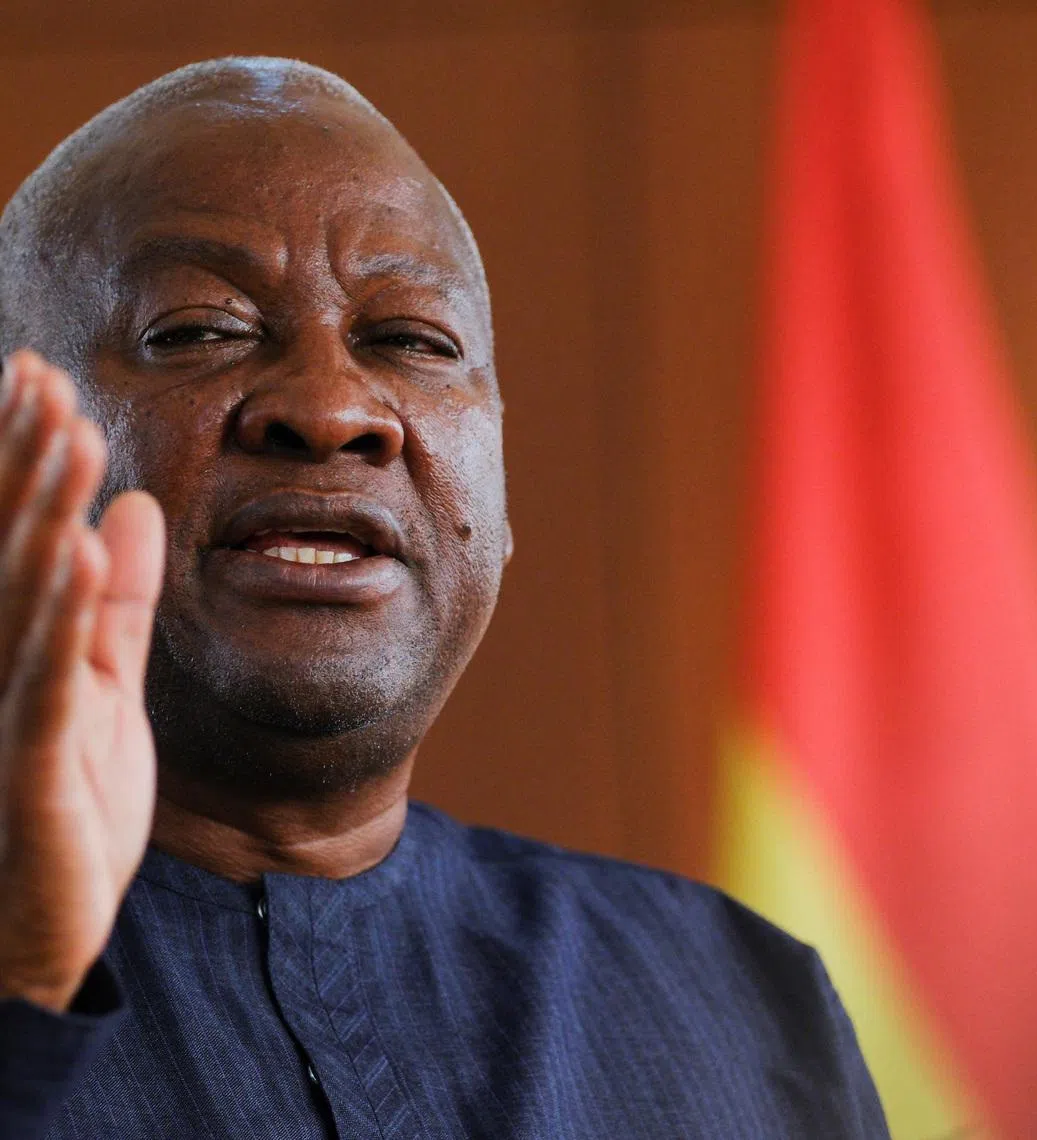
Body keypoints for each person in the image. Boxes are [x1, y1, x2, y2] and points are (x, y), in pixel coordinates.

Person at [0, 57, 889, 1139]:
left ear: (500, 503)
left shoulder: (742, 1001)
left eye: (412, 341)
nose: (333, 409)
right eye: (199, 328)